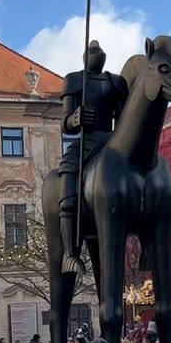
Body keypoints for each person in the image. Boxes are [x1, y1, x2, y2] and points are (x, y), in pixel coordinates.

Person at [57, 40, 128, 274]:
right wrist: (75, 118)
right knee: (68, 170)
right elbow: (66, 123)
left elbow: (124, 118)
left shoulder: (115, 82)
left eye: (100, 52)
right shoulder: (75, 80)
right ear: (85, 57)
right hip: (87, 141)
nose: (98, 54)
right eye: (93, 52)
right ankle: (70, 252)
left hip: (112, 141)